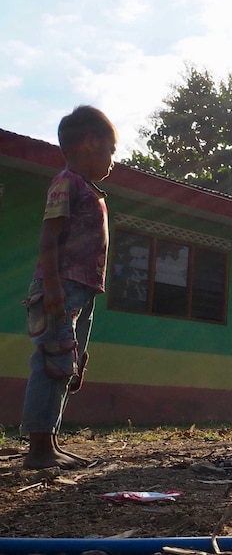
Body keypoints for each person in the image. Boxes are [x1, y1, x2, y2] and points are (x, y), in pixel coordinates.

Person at [21, 105, 117, 469]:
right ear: (91, 143)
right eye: (111, 150)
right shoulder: (67, 183)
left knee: (68, 366)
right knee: (52, 362)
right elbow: (50, 236)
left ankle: (50, 441)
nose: (112, 161)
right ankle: (39, 450)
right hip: (62, 287)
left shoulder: (90, 191)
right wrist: (53, 286)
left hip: (83, 290)